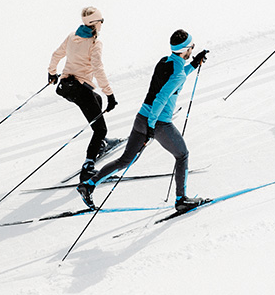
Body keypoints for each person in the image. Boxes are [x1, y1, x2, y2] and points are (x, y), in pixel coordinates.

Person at [76, 30, 209, 212]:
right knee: (182, 155)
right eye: (192, 47)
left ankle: (89, 185)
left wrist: (193, 64)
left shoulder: (165, 61)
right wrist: (152, 126)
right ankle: (181, 199)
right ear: (185, 49)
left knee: (124, 160)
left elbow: (175, 78)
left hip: (140, 118)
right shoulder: (178, 73)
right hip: (159, 122)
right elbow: (161, 98)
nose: (193, 49)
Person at [48, 7, 119, 183]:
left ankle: (100, 143)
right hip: (80, 89)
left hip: (66, 86)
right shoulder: (95, 43)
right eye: (101, 21)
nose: (102, 24)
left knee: (97, 99)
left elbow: (57, 54)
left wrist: (52, 72)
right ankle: (88, 168)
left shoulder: (72, 36)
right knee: (100, 128)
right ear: (95, 24)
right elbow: (98, 69)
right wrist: (110, 94)